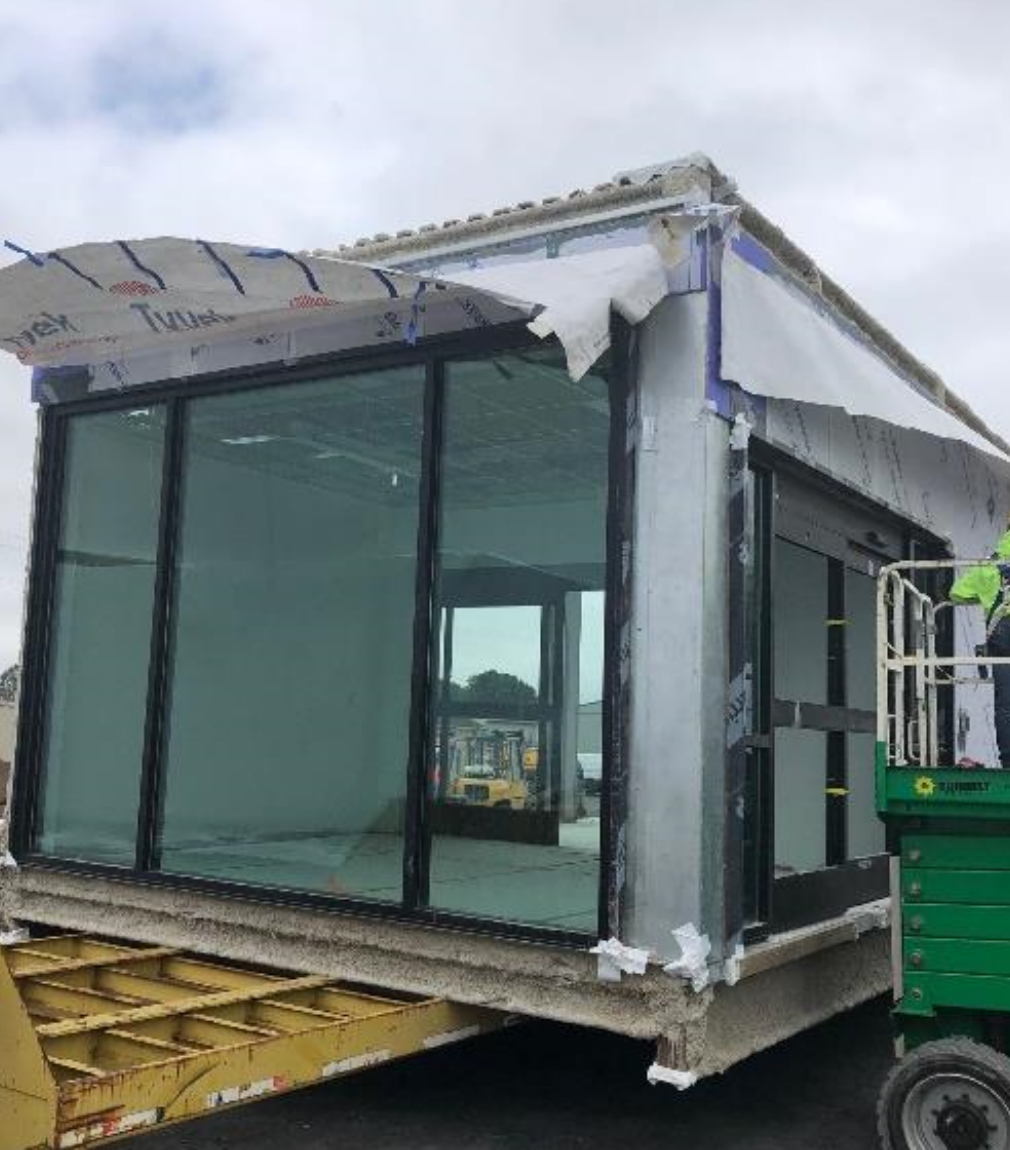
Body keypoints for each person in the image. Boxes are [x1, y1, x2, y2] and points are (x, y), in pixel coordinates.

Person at [951, 526, 1010, 768]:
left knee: (1006, 704)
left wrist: (984, 597)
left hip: (1002, 641)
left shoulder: (990, 566)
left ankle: (1008, 760)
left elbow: (956, 594)